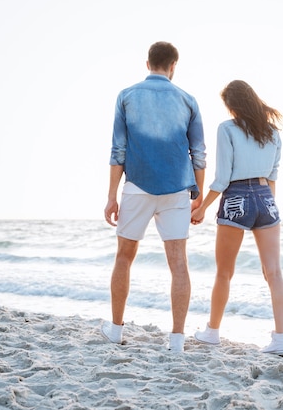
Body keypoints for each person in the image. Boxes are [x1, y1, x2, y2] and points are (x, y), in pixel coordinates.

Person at [101, 41, 206, 352]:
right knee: (179, 264)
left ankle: (116, 330)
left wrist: (111, 196)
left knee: (124, 258)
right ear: (173, 66)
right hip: (176, 188)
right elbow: (198, 153)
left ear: (148, 64)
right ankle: (176, 340)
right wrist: (197, 194)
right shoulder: (188, 100)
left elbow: (117, 151)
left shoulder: (127, 96)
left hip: (137, 187)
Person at [190, 80, 283, 356]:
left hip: (236, 197)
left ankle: (211, 331)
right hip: (266, 199)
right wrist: (268, 206)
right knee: (274, 273)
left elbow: (222, 178)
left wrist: (202, 208)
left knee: (224, 272)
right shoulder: (272, 133)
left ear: (233, 105)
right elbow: (273, 177)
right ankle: (281, 340)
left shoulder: (227, 129)